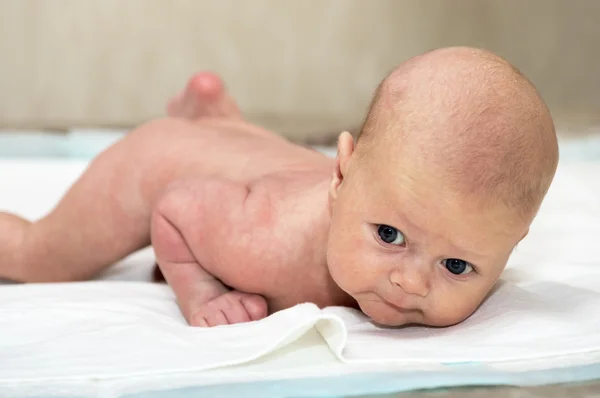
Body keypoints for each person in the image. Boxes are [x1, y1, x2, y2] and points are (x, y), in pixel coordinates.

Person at [0, 47, 558, 328]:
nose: (409, 283)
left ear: (512, 246)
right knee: (39, 255)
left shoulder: (401, 198)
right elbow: (173, 208)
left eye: (457, 267)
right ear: (341, 175)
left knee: (247, 157)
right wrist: (202, 293)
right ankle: (200, 124)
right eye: (389, 234)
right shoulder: (266, 240)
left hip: (248, 158)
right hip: (158, 164)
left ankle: (215, 115)